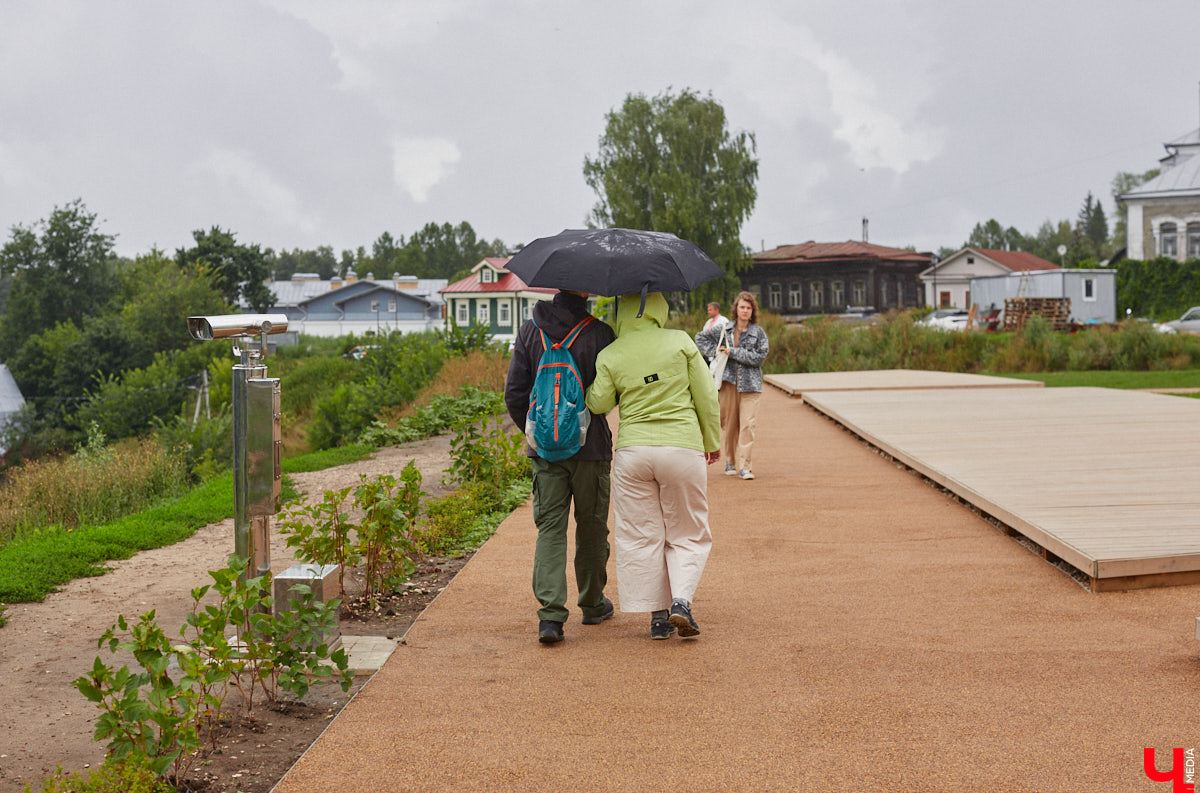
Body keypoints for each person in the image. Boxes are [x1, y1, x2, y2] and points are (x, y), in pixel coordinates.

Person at [585, 292, 721, 640]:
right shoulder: (680, 341)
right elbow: (705, 395)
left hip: (634, 453)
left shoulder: (611, 353)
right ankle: (681, 601)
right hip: (681, 447)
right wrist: (712, 442)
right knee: (687, 530)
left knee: (642, 533)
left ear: (622, 312)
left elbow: (598, 403)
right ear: (659, 308)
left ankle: (658, 616)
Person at [505, 290, 617, 644]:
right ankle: (593, 604)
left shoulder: (528, 331)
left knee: (550, 530)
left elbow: (514, 392)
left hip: (544, 453)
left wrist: (537, 431)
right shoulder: (600, 333)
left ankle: (551, 618)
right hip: (591, 448)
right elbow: (610, 392)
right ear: (585, 293)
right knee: (592, 528)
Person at [694, 290, 769, 481]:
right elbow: (699, 338)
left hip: (750, 386)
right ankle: (731, 461)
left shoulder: (758, 333)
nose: (745, 311)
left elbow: (759, 358)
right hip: (728, 383)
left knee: (747, 425)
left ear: (753, 311)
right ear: (736, 309)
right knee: (729, 425)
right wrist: (715, 352)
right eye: (742, 307)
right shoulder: (724, 328)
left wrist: (732, 352)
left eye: (748, 308)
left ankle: (745, 466)